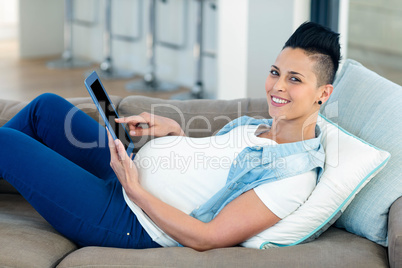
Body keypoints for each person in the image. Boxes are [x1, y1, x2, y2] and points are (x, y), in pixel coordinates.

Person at [0, 21, 340, 251]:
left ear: (322, 93)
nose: (278, 87)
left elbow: (209, 237)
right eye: (275, 72)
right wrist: (174, 131)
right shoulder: (256, 125)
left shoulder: (293, 177)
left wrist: (133, 188)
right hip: (127, 169)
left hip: (129, 216)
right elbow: (208, 163)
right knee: (45, 108)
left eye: (295, 79)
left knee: (8, 143)